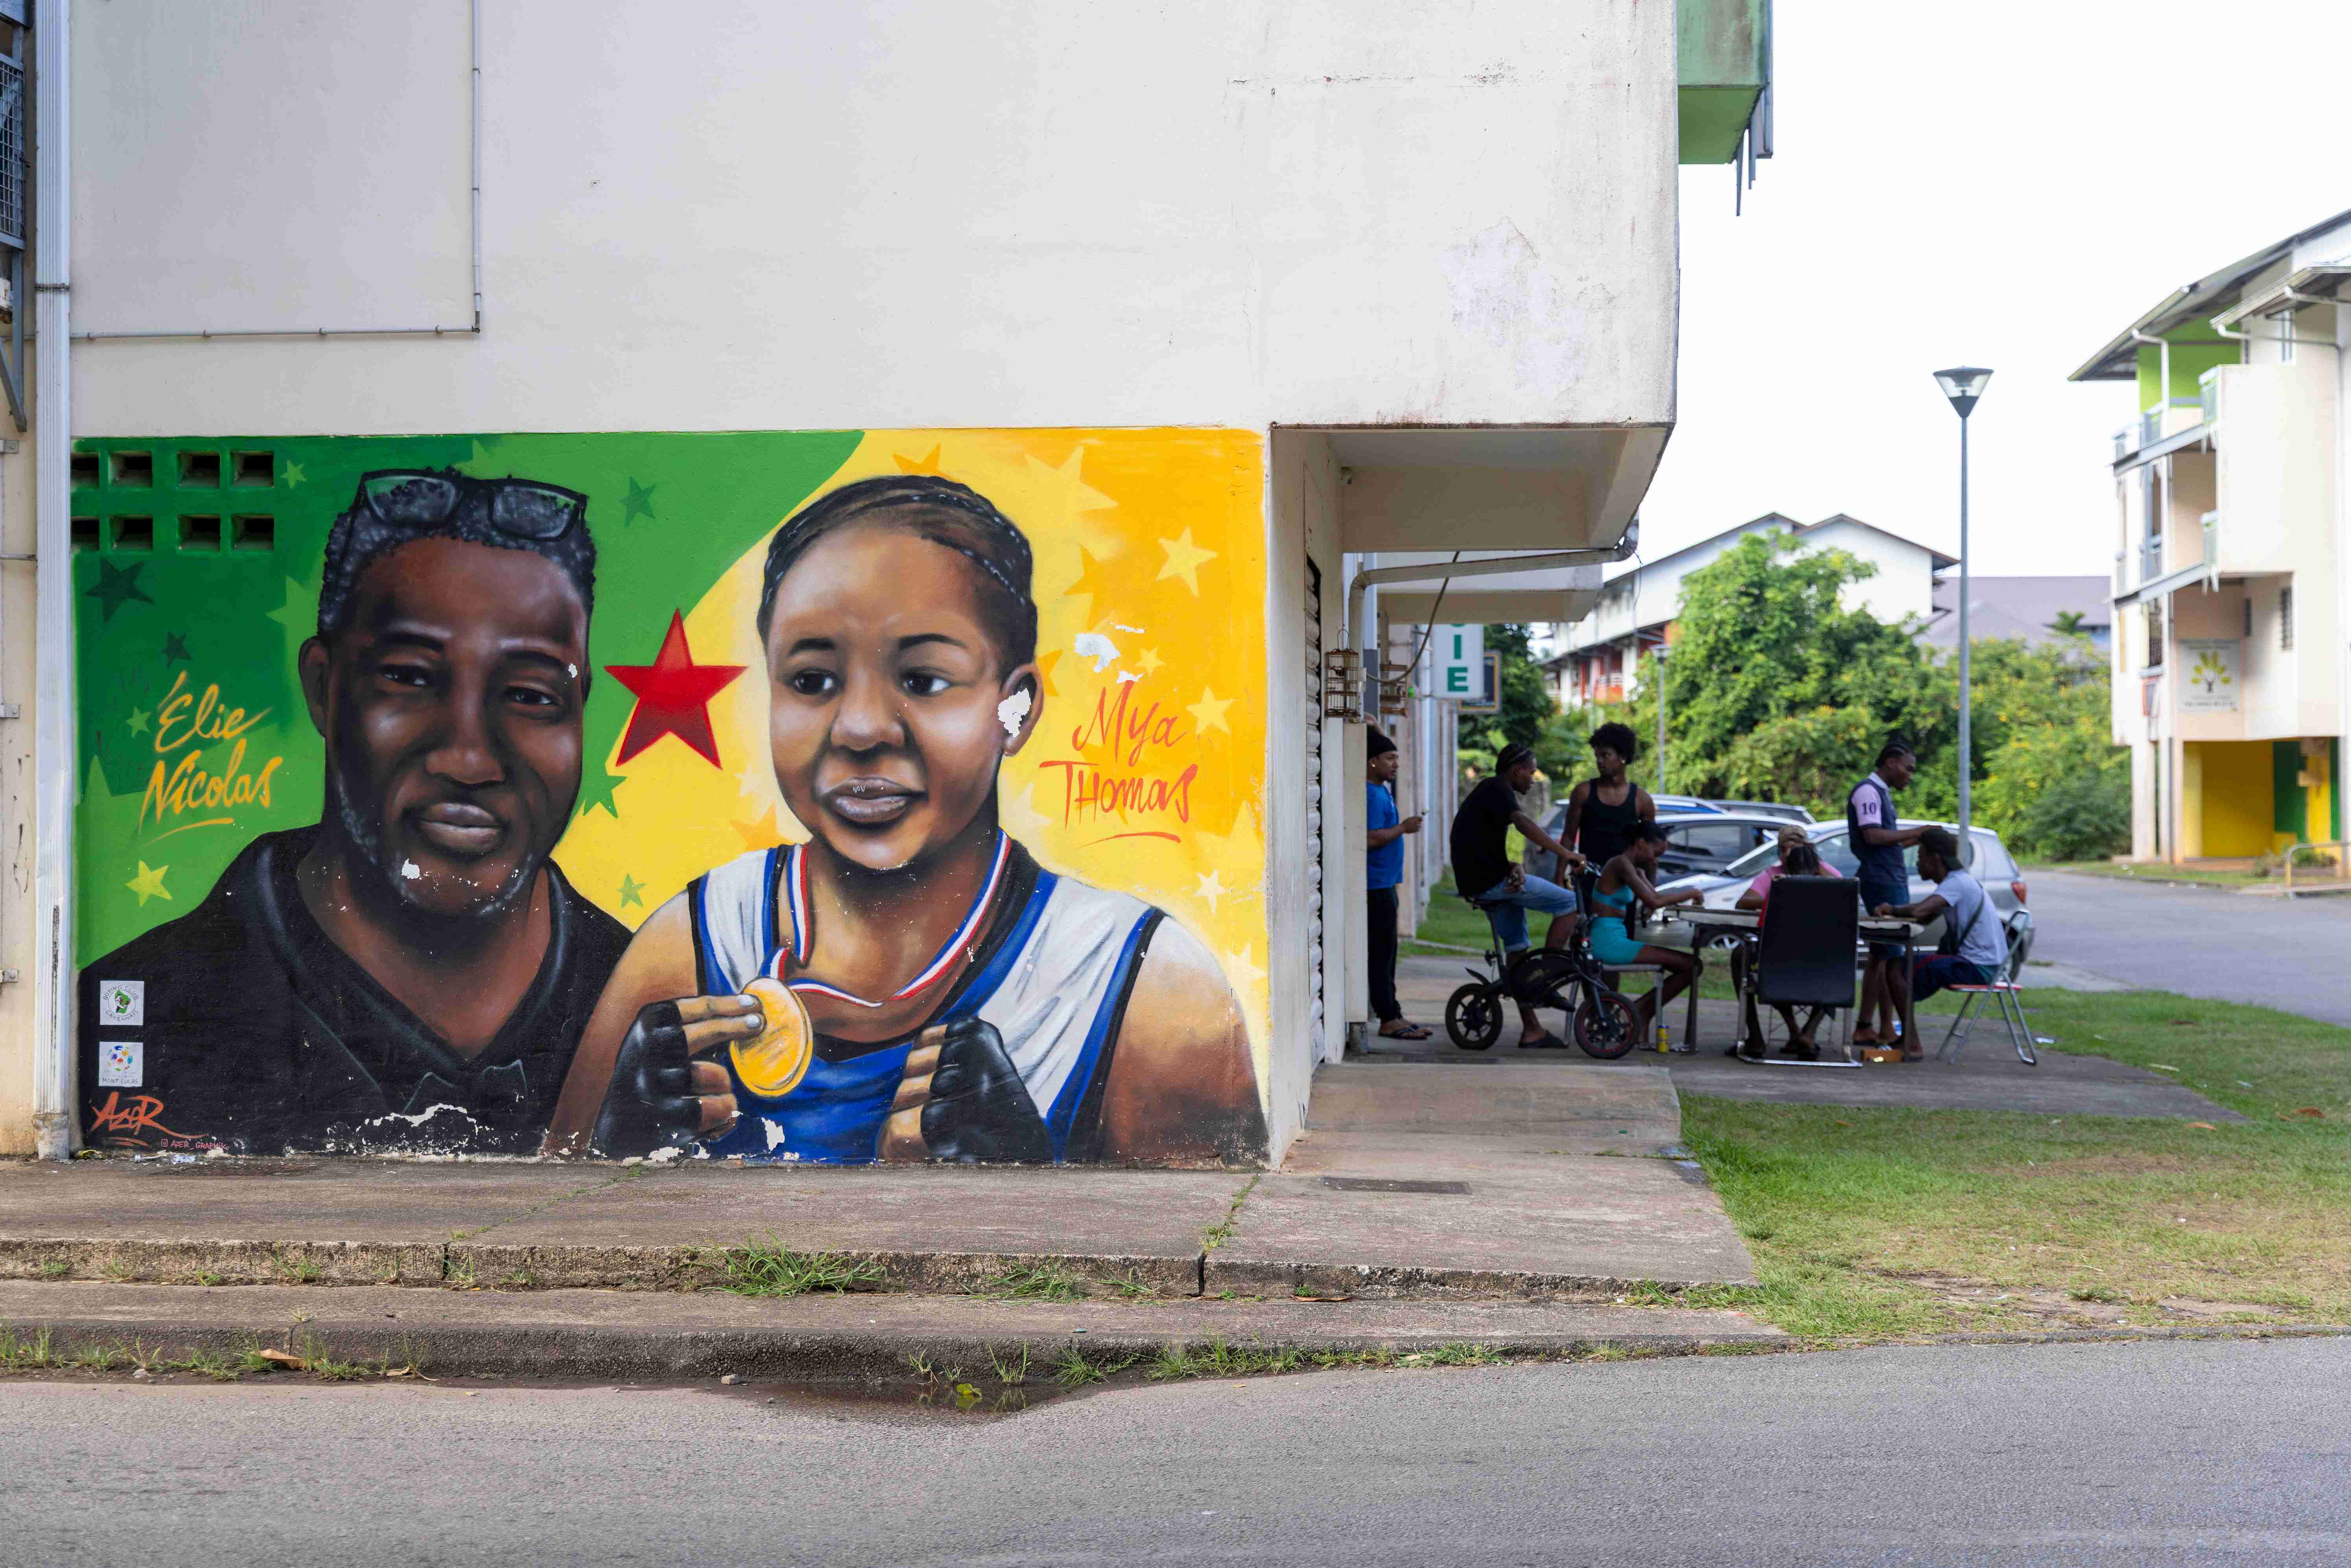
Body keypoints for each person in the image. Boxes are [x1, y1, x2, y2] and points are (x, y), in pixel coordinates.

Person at [545, 475, 1264, 1164]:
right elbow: (559, 1212)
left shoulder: (1143, 990)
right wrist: (615, 1147)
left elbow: (1198, 1251)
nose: (860, 728)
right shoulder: (698, 946)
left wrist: (1029, 1181)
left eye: (923, 679)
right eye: (812, 681)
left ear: (1014, 710)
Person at [77, 470, 631, 1155]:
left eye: (530, 694)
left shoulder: (655, 1019)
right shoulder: (152, 1002)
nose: (469, 757)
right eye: (409, 678)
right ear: (323, 687)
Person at [1448, 742, 1585, 1048]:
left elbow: (1478, 844)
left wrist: (1512, 866)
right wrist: (1566, 853)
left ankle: (1532, 1029)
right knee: (1568, 903)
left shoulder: (1491, 791)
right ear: (1517, 770)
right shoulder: (1498, 789)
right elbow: (1523, 824)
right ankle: (1547, 977)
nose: (1533, 780)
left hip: (1486, 880)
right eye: (1531, 773)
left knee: (1518, 948)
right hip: (1489, 884)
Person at [1871, 827, 2008, 1061]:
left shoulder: (1957, 883)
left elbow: (1921, 911)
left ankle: (1912, 1044)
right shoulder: (1957, 883)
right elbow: (1925, 917)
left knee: (1897, 969)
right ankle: (1907, 1039)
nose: (1918, 864)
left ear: (1935, 859)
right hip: (1985, 965)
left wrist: (1891, 909)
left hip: (1979, 968)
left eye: (1921, 857)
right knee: (1899, 968)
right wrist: (1899, 914)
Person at [1587, 822, 1704, 1045]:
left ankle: (1641, 1011)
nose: (1655, 859)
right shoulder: (1620, 864)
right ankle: (1640, 1011)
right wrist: (1692, 892)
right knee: (1692, 966)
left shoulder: (1635, 869)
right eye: (1655, 853)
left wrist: (1653, 870)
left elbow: (1653, 896)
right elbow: (1655, 901)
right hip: (1608, 942)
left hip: (1617, 938)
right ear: (1641, 843)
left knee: (1692, 966)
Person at [1848, 740, 1930, 1051]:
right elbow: (1872, 836)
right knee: (1885, 957)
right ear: (1892, 763)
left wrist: (1918, 838)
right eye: (1909, 768)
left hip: (1889, 878)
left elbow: (1888, 841)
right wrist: (1918, 832)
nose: (1911, 775)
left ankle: (1881, 1028)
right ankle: (1866, 1026)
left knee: (1885, 957)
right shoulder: (1868, 792)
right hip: (1881, 881)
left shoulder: (1882, 793)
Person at [1733, 827, 1841, 1059]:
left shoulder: (1781, 887)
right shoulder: (1831, 890)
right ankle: (1805, 1034)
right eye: (1783, 849)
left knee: (1754, 959)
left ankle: (1792, 1035)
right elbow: (1744, 902)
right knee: (1839, 962)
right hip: (1821, 969)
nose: (1787, 854)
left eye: (1793, 849)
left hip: (1781, 968)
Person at [1364, 728, 1427, 1041]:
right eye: (1390, 758)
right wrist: (1403, 828)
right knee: (1381, 953)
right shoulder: (1372, 795)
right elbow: (1370, 837)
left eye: (1397, 758)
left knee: (1389, 952)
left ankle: (1395, 1013)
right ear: (1372, 762)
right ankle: (1388, 1017)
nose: (1396, 764)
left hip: (1384, 883)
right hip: (1374, 886)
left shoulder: (1380, 790)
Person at [1559, 721, 1655, 879]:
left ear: (1623, 757)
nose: (1599, 761)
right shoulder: (1583, 792)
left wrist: (1651, 890)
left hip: (1625, 884)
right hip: (1589, 878)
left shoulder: (1642, 800)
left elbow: (1650, 848)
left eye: (1606, 755)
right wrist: (1559, 877)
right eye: (1597, 756)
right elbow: (1569, 837)